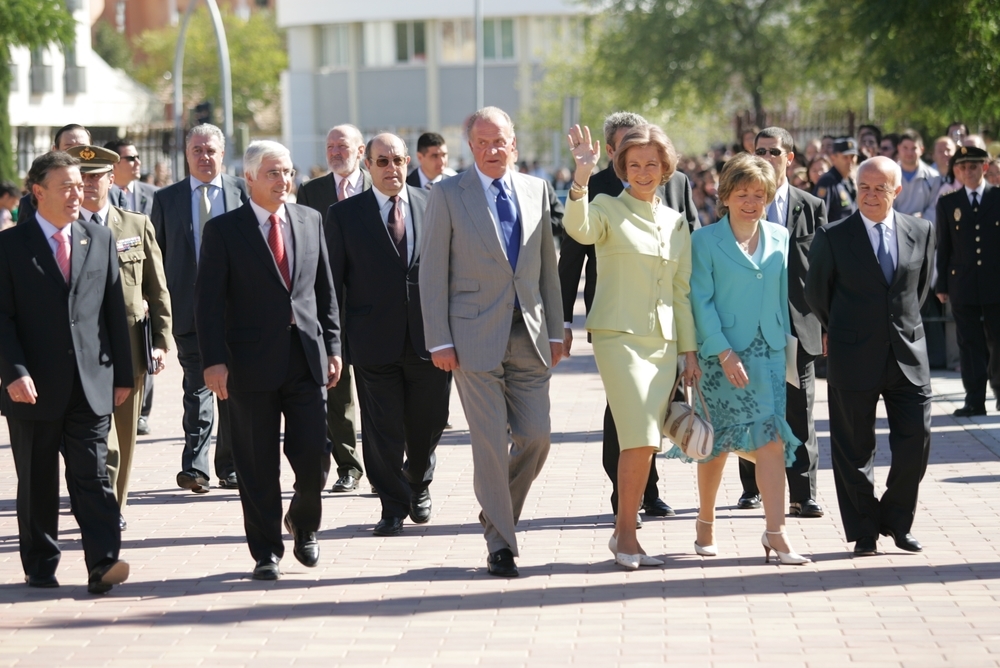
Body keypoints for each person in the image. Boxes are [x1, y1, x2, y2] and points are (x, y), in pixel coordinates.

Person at [419, 106, 563, 578]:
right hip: (472, 337)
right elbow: (432, 272)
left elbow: (546, 268)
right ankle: (500, 543)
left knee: (536, 437)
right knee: (487, 443)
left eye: (499, 141)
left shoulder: (535, 189)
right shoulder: (446, 194)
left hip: (530, 333)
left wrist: (558, 329)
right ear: (470, 148)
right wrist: (438, 339)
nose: (492, 150)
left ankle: (498, 513)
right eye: (482, 143)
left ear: (513, 143)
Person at [196, 140, 342, 581]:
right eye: (274, 173)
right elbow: (207, 303)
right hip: (248, 365)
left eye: (288, 172)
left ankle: (304, 523)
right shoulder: (224, 230)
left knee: (316, 452)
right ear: (251, 178)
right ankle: (266, 551)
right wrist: (213, 361)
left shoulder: (310, 219)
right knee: (257, 462)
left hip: (305, 359)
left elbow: (325, 292)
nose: (284, 181)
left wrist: (334, 347)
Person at [563, 123, 700, 570]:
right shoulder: (604, 206)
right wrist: (581, 177)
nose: (643, 171)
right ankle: (625, 535)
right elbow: (578, 229)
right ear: (621, 166)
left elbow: (681, 291)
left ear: (665, 170)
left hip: (663, 342)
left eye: (651, 164)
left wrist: (689, 350)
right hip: (618, 338)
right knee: (639, 433)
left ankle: (625, 534)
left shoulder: (675, 221)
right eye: (634, 164)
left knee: (645, 443)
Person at [0, 151, 133, 593]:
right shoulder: (10, 247)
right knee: (37, 482)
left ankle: (104, 562)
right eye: (68, 187)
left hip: (90, 382)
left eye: (82, 185)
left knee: (93, 476)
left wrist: (123, 375)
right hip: (31, 388)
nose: (79, 193)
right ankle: (41, 565)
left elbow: (114, 312)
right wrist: (14, 372)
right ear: (38, 192)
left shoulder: (97, 238)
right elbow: (2, 320)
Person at [669, 152, 810, 565]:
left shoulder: (780, 236)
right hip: (720, 355)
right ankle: (706, 522)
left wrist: (791, 349)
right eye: (743, 193)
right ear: (725, 196)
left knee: (770, 439)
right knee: (718, 443)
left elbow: (785, 298)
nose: (751, 202)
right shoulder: (703, 241)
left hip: (767, 354)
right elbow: (700, 300)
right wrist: (719, 351)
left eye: (759, 195)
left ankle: (776, 534)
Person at [806, 156, 934, 556]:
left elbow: (920, 289)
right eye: (865, 187)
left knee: (916, 443)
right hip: (852, 353)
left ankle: (896, 521)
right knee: (853, 447)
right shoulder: (833, 236)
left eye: (881, 188)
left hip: (908, 356)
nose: (871, 195)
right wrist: (847, 329)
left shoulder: (921, 230)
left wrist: (899, 326)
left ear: (897, 191)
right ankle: (863, 528)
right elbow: (817, 294)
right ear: (855, 188)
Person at [327, 133, 450, 536]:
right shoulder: (345, 215)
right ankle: (392, 504)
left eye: (397, 160)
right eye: (382, 161)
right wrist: (336, 343)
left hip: (429, 337)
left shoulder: (433, 204)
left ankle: (418, 481)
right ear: (368, 165)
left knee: (430, 421)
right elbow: (333, 285)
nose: (392, 168)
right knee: (382, 429)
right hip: (372, 339)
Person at [67, 145, 172, 531]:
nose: (91, 184)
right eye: (84, 177)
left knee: (124, 433)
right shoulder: (67, 228)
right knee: (91, 434)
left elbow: (156, 288)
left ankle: (114, 504)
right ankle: (95, 500)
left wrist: (160, 341)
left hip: (128, 343)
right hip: (82, 347)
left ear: (113, 179)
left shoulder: (135, 225)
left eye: (98, 177)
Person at [735, 127, 828, 518]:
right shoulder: (740, 203)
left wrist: (823, 324)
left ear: (790, 158)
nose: (768, 156)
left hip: (797, 324)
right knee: (752, 405)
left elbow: (824, 270)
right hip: (750, 324)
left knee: (798, 411)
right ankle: (751, 487)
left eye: (775, 151)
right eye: (761, 150)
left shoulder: (811, 206)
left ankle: (803, 493)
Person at [151, 123, 249, 493]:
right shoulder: (167, 199)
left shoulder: (243, 191)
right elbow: (156, 256)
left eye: (211, 150)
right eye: (197, 151)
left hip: (239, 310)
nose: (204, 157)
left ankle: (230, 465)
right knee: (197, 387)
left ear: (222, 154)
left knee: (234, 390)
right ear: (187, 155)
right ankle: (195, 467)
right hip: (189, 309)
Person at [296, 124, 370, 494]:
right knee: (336, 388)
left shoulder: (377, 187)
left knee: (376, 388)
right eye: (330, 146)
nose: (335, 152)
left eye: (343, 146)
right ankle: (349, 466)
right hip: (328, 304)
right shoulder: (312, 191)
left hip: (373, 304)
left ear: (360, 151)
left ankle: (383, 462)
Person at [935, 146, 999, 416]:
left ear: (984, 167)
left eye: (973, 166)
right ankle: (975, 399)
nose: (967, 171)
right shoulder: (949, 202)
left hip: (996, 282)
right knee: (968, 342)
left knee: (998, 340)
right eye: (962, 167)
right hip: (962, 282)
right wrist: (941, 285)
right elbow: (944, 245)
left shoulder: (997, 197)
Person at [104, 139, 161, 436]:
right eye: (130, 158)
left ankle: (143, 413)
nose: (137, 162)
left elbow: (155, 258)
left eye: (139, 156)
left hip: (140, 308)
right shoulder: (89, 208)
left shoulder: (153, 198)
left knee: (143, 361)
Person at [16, 125, 126, 225]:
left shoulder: (115, 195)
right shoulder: (37, 200)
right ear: (55, 150)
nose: (77, 155)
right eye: (69, 149)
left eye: (82, 148)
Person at [894, 130, 939, 221]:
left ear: (921, 150)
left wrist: (919, 221)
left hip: (922, 229)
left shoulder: (933, 177)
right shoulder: (889, 174)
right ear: (898, 148)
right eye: (905, 148)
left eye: (914, 148)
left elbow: (934, 208)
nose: (909, 153)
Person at [814, 138, 859, 222]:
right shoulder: (827, 182)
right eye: (845, 157)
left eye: (853, 156)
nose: (850, 161)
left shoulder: (849, 181)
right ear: (833, 158)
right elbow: (819, 216)